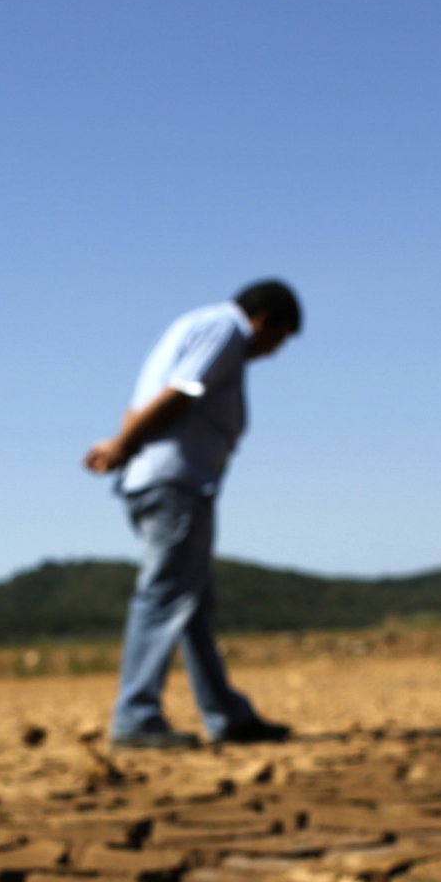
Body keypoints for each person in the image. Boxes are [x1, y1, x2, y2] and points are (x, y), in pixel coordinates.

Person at [82, 279, 303, 749]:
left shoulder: (190, 325)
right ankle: (135, 717)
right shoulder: (225, 329)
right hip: (175, 483)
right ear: (263, 320)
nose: (273, 351)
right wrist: (123, 445)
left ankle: (227, 716)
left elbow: (141, 401)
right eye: (279, 338)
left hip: (159, 480)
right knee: (164, 596)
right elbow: (180, 392)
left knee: (192, 603)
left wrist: (124, 446)